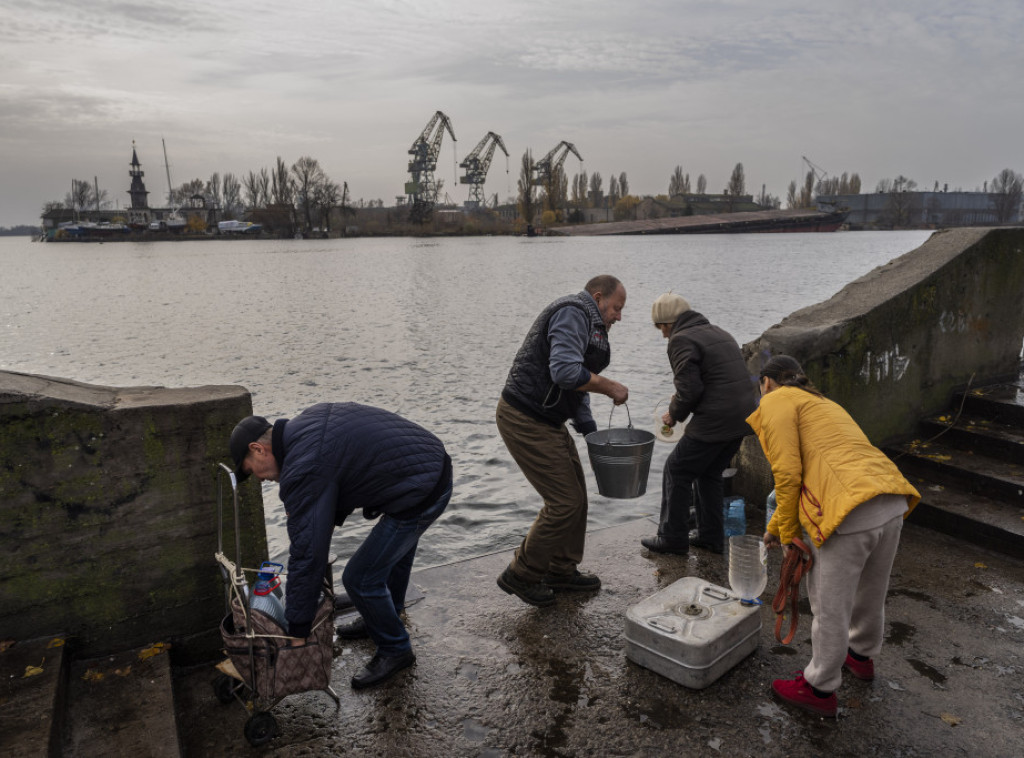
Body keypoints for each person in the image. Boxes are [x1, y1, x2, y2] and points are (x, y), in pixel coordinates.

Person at [229, 402, 452, 690]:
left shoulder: (303, 466)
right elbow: (344, 466)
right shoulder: (305, 424)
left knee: (359, 578)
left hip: (422, 489)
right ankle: (383, 618)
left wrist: (298, 628)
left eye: (253, 470)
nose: (260, 479)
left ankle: (396, 648)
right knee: (391, 558)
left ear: (259, 449)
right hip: (427, 466)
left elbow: (307, 554)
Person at [747, 355, 920, 717]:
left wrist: (791, 535)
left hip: (845, 514)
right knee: (870, 594)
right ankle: (860, 656)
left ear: (766, 382)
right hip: (889, 500)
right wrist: (776, 528)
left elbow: (788, 475)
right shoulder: (822, 402)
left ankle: (819, 687)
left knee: (829, 604)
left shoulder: (776, 400)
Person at [495, 275, 630, 607]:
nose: (619, 316)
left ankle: (560, 569)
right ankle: (521, 573)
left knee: (578, 497)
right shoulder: (573, 312)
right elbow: (566, 373)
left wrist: (589, 430)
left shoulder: (591, 322)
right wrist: (610, 386)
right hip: (524, 417)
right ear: (598, 298)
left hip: (549, 418)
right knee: (564, 501)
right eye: (616, 307)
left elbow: (578, 384)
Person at [641, 293, 756, 556]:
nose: (663, 336)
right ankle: (710, 537)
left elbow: (690, 390)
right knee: (709, 474)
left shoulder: (681, 340)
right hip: (742, 419)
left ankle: (672, 539)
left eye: (662, 328)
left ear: (670, 323)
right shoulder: (720, 332)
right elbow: (714, 381)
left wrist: (674, 414)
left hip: (717, 419)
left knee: (676, 469)